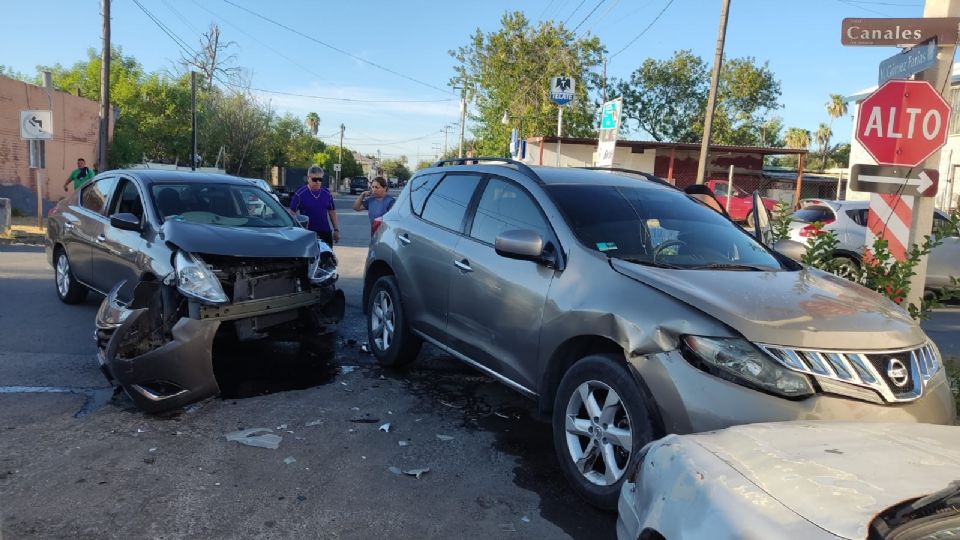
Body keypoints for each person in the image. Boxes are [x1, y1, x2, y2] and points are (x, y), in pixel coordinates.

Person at [290, 165, 340, 245]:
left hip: (325, 232)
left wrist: (336, 230)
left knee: (326, 256)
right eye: (314, 179)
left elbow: (332, 211)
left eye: (320, 179)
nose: (317, 182)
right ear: (308, 178)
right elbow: (292, 213)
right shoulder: (300, 194)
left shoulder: (327, 193)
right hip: (307, 233)